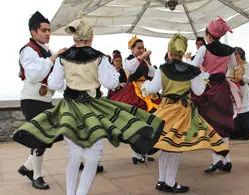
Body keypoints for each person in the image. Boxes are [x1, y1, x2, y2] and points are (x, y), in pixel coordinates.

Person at [13, 18, 164, 195]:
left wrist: (69, 82)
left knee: (75, 156)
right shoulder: (99, 57)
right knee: (92, 157)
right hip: (93, 109)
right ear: (91, 37)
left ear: (74, 39)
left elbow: (53, 84)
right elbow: (110, 83)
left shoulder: (62, 57)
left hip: (70, 110)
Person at [141, 34, 229, 193]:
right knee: (176, 147)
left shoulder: (162, 68)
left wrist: (144, 86)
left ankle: (162, 181)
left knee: (166, 145)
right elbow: (198, 91)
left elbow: (152, 88)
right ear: (183, 52)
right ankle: (170, 182)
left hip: (165, 110)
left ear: (169, 52)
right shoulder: (192, 70)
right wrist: (203, 79)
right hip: (182, 111)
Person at [16, 11, 66, 190]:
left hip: (45, 100)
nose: (47, 33)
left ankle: (28, 167)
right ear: (33, 32)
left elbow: (57, 79)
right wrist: (54, 59)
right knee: (40, 138)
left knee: (48, 137)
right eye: (43, 30)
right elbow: (34, 74)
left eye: (49, 30)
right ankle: (36, 175)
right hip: (31, 100)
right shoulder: (27, 50)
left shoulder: (48, 51)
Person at [186, 17, 240, 173]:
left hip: (209, 88)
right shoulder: (230, 50)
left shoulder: (204, 49)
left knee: (210, 125)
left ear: (208, 35)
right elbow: (233, 70)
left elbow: (195, 68)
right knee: (223, 123)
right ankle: (226, 160)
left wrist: (189, 60)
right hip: (223, 89)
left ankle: (217, 160)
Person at [110, 36, 161, 164]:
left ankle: (142, 152)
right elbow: (129, 69)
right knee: (137, 121)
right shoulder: (128, 60)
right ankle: (136, 153)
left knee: (149, 119)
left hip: (146, 90)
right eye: (138, 48)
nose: (141, 50)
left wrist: (148, 61)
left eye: (142, 48)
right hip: (134, 91)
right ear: (132, 49)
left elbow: (152, 74)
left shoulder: (144, 61)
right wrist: (141, 57)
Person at [229, 47, 249, 140]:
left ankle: (245, 133)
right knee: (234, 110)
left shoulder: (246, 65)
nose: (234, 56)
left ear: (241, 54)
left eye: (235, 54)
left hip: (243, 90)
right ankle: (235, 132)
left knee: (244, 111)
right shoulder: (230, 66)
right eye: (233, 54)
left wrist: (241, 77)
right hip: (233, 91)